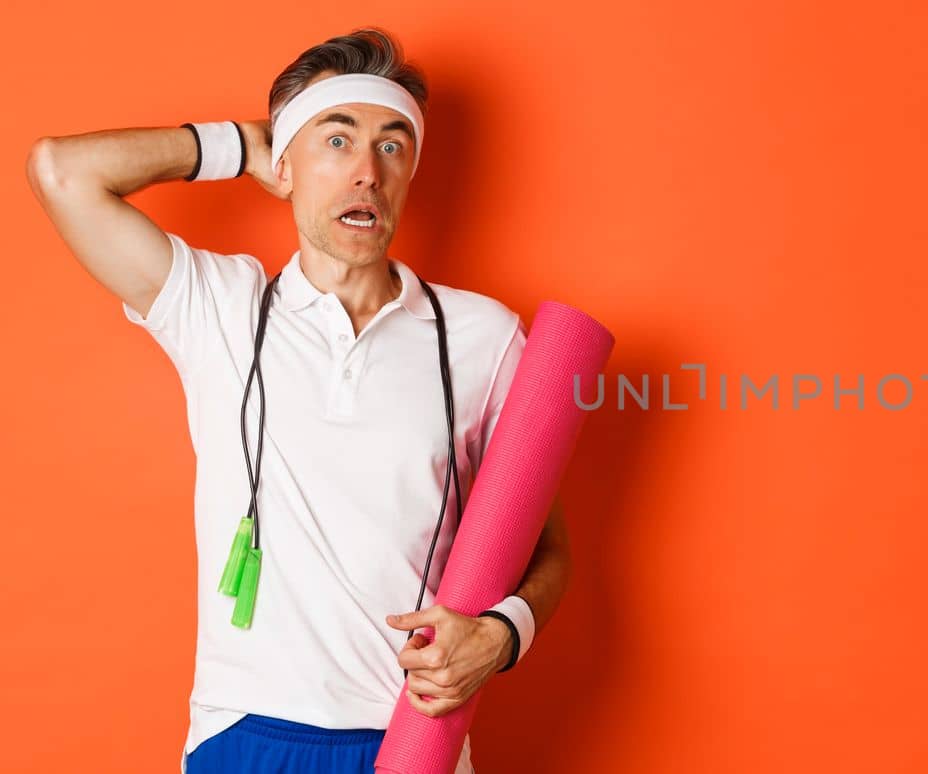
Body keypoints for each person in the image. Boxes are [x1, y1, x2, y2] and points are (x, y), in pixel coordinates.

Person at [24, 27, 571, 773]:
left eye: (392, 145)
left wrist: (503, 635)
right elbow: (60, 172)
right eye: (336, 141)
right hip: (243, 732)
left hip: (413, 740)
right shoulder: (217, 306)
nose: (367, 173)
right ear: (286, 166)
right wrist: (240, 146)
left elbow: (548, 544)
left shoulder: (484, 337)